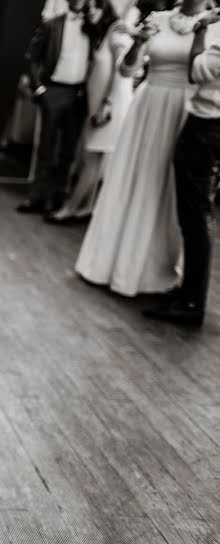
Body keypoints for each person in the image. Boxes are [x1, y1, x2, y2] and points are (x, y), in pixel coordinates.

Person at [75, 1, 218, 296]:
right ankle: (111, 262)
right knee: (133, 178)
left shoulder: (213, 25)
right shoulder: (159, 19)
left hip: (186, 111)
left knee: (166, 189)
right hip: (148, 103)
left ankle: (153, 269)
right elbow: (127, 71)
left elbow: (206, 73)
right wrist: (138, 43)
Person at [145, 7, 220, 325]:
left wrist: (201, 30)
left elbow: (196, 71)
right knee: (194, 213)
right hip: (208, 124)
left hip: (207, 124)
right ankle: (187, 290)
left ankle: (191, 302)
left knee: (195, 215)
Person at [46, 0, 135, 225]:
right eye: (89, 8)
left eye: (97, 7)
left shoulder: (116, 32)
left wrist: (107, 103)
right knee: (92, 157)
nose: (91, 11)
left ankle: (70, 208)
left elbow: (121, 72)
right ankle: (85, 207)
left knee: (92, 158)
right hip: (99, 104)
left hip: (110, 104)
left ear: (106, 9)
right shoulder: (102, 35)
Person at [18, 0, 94, 215]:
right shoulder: (52, 25)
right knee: (46, 148)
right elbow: (32, 57)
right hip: (53, 90)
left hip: (78, 93)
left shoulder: (93, 26)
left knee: (68, 151)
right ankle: (37, 197)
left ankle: (59, 198)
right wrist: (39, 89)